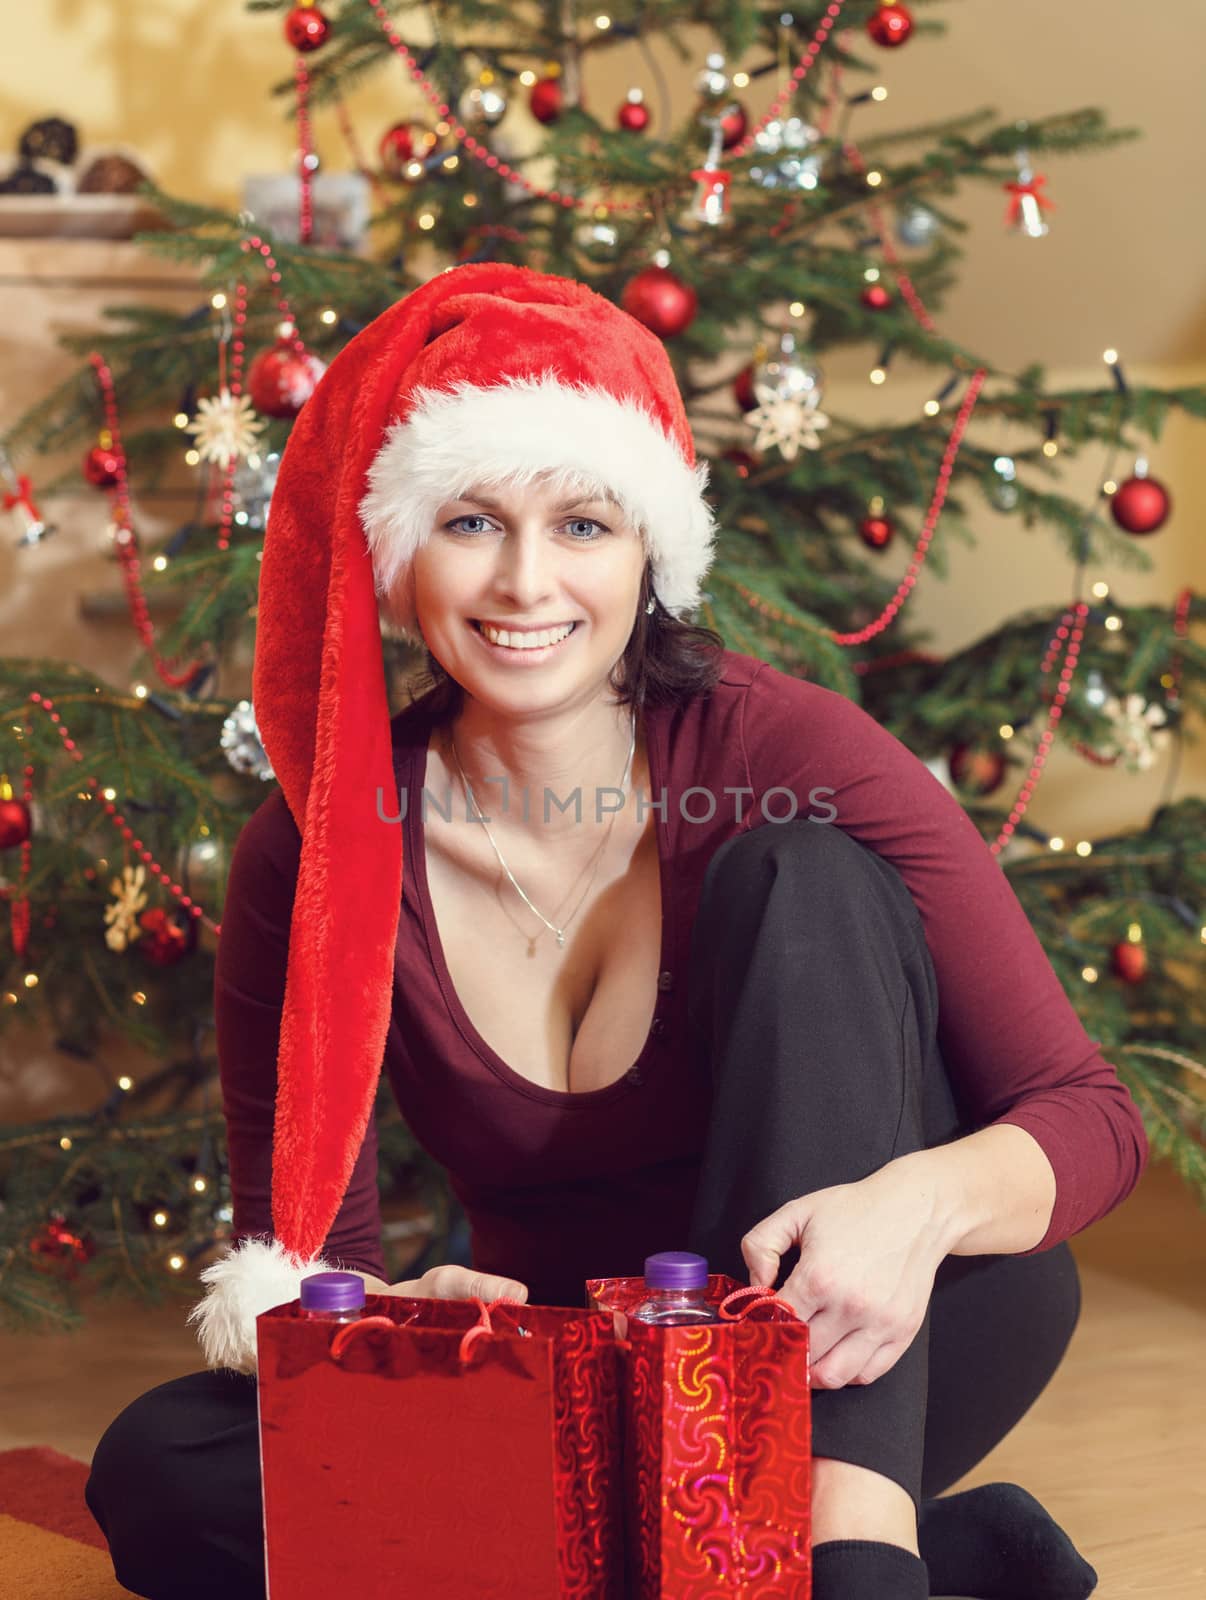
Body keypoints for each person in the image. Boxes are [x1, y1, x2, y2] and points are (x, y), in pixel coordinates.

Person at [84, 264, 1147, 1600]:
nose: (526, 583)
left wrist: (912, 1208)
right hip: (578, 1366)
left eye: (582, 524)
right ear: (400, 553)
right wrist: (393, 1321)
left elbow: (1090, 1114)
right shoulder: (315, 844)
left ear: (648, 547)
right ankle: (922, 1563)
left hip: (866, 1333)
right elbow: (310, 1263)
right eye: (471, 521)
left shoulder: (786, 746)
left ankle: (856, 1550)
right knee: (158, 1469)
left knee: (805, 878)